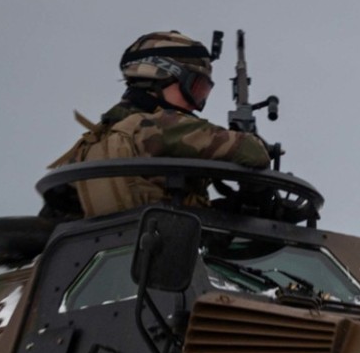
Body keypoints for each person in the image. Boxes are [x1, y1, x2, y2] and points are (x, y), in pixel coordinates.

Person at [48, 31, 271, 218]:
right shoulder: (164, 126)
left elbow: (56, 214)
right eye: (195, 89)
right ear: (162, 76)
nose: (196, 106)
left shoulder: (91, 144)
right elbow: (253, 152)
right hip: (162, 257)